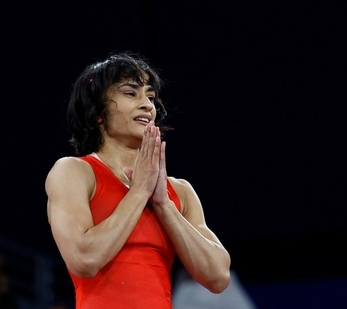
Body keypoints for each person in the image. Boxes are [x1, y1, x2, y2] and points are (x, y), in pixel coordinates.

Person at [45, 51, 231, 308]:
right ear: (97, 112)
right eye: (131, 93)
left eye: (151, 97)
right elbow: (84, 260)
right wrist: (138, 193)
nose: (147, 105)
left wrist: (164, 205)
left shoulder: (179, 192)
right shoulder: (73, 172)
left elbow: (218, 277)